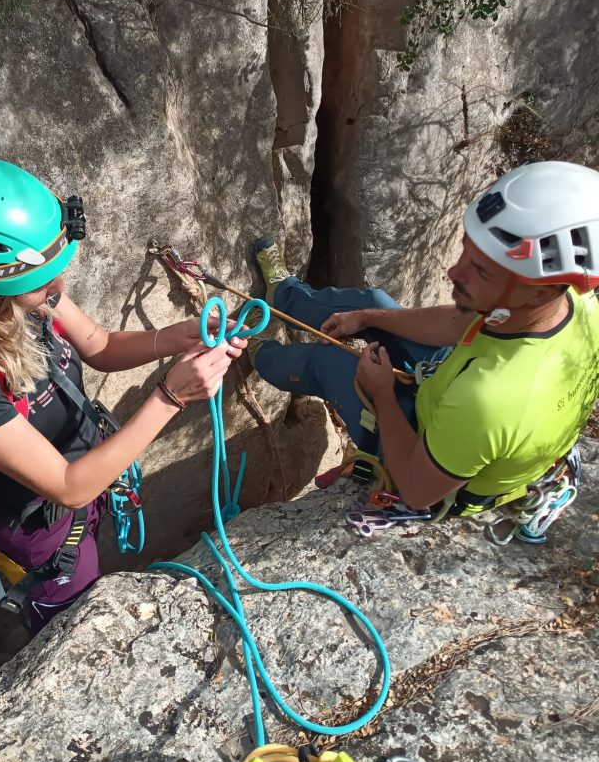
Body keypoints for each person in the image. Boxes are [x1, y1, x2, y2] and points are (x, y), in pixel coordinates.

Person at [0, 155, 246, 631]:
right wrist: (170, 397)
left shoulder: (20, 288)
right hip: (35, 527)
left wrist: (176, 336)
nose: (57, 287)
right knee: (75, 620)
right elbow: (68, 487)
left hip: (86, 471)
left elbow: (97, 345)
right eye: (40, 285)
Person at [250, 160, 599, 516]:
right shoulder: (577, 304)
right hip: (454, 405)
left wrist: (384, 394)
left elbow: (418, 492)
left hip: (432, 472)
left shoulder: (489, 399)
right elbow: (460, 321)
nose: (453, 271)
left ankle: (255, 350)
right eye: (466, 249)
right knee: (373, 304)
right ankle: (286, 296)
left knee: (327, 362)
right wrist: (367, 318)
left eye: (480, 271)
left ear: (539, 293)